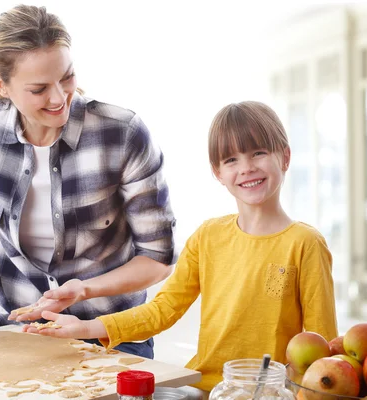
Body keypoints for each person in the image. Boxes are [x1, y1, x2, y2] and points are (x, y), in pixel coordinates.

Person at [23, 101, 339, 391]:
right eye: (231, 159)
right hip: (207, 389)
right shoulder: (208, 236)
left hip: (272, 393)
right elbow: (163, 310)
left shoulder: (305, 244)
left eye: (258, 153)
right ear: (218, 173)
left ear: (284, 157)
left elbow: (324, 348)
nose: (246, 168)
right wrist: (87, 327)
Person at [0, 4, 176, 359]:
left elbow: (158, 258)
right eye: (39, 89)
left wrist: (84, 290)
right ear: (2, 85)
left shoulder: (121, 133)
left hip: (109, 333)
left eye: (66, 77)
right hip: (13, 330)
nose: (59, 97)